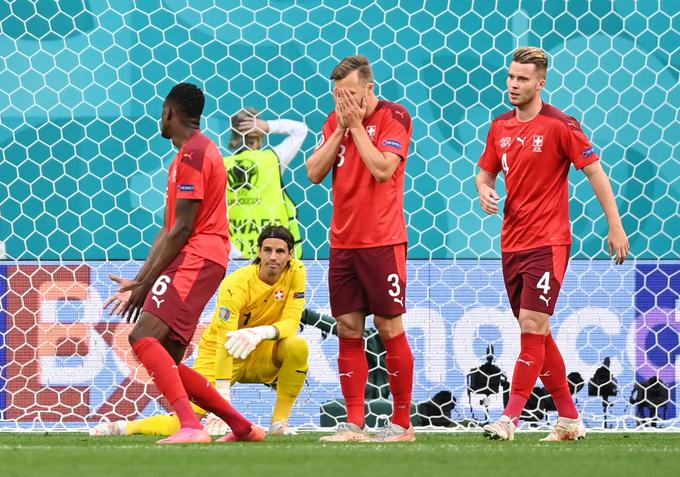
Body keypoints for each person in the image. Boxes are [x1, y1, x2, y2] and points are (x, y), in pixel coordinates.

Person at [476, 47, 630, 441]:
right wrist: (485, 190)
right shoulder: (499, 127)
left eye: (523, 79)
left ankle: (510, 419)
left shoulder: (560, 125)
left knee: (532, 324)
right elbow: (485, 171)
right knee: (538, 331)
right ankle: (569, 418)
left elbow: (594, 171)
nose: (513, 84)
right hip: (512, 242)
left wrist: (615, 226)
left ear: (541, 82)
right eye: (511, 77)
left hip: (549, 241)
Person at [103, 82, 264, 444]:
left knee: (142, 336)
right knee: (169, 360)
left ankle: (191, 426)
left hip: (198, 257)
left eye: (162, 113)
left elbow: (183, 229)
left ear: (169, 113)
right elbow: (168, 229)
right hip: (197, 258)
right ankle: (242, 427)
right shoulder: (185, 156)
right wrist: (139, 281)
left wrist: (146, 284)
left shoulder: (194, 155)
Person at [92, 226, 308, 437]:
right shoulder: (236, 284)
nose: (273, 257)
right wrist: (223, 392)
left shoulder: (297, 272)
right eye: (267, 250)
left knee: (297, 346)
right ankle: (124, 428)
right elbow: (226, 338)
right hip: (220, 353)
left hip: (261, 351)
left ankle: (279, 423)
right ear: (259, 252)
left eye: (280, 251)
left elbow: (291, 322)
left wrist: (260, 333)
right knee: (191, 419)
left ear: (290, 255)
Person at [306, 55, 415, 442]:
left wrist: (356, 128)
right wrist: (341, 130)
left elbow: (383, 169)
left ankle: (402, 425)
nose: (344, 103)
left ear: (369, 88)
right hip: (343, 243)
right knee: (348, 329)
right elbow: (314, 173)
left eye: (350, 94)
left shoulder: (394, 117)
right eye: (338, 96)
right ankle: (354, 425)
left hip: (382, 241)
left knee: (388, 328)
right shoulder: (335, 122)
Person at [225, 108, 307, 259]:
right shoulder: (273, 159)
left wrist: (235, 253)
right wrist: (268, 125)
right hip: (275, 253)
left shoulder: (222, 165)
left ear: (233, 135)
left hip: (235, 255)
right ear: (260, 135)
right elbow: (301, 130)